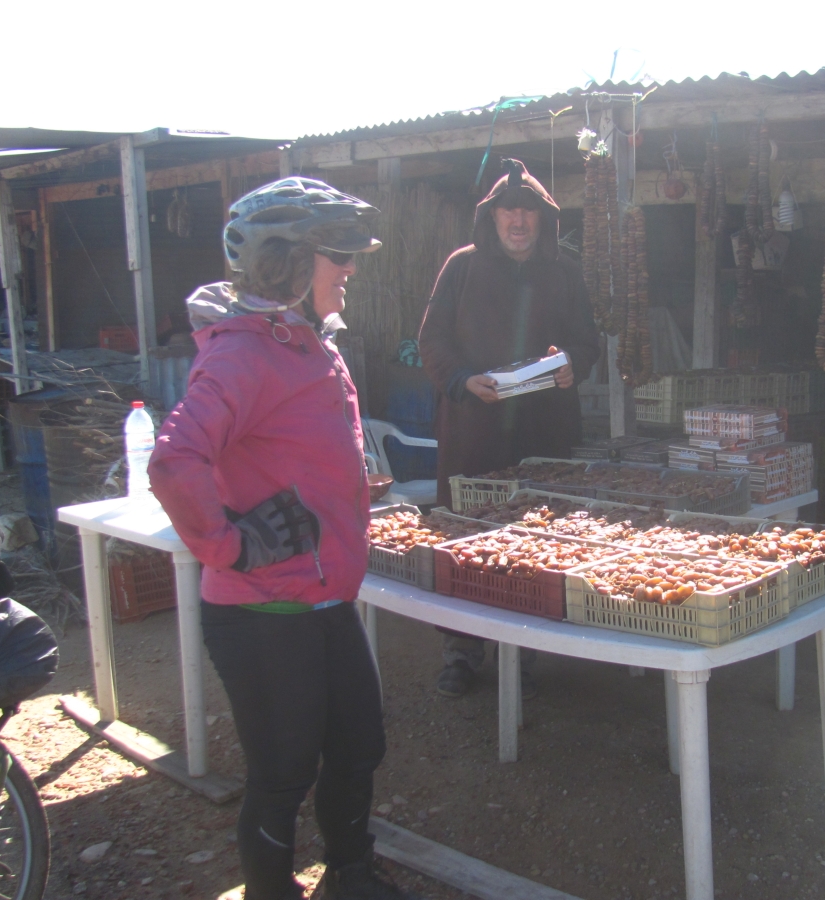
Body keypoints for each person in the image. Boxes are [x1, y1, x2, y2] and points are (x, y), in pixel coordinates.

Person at [148, 177, 418, 900]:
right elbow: (174, 460)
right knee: (283, 773)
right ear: (287, 264)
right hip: (262, 608)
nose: (350, 268)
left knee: (359, 746)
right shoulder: (242, 353)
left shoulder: (301, 341)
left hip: (322, 596)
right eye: (338, 254)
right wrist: (230, 545)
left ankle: (350, 877)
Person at [418, 158, 600, 698]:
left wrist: (572, 364)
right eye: (508, 211)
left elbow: (586, 341)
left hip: (542, 432)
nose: (518, 221)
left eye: (528, 212)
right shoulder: (462, 267)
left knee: (534, 538)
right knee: (465, 534)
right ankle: (461, 652)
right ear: (491, 217)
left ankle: (522, 652)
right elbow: (432, 340)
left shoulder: (565, 272)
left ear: (544, 218)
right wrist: (461, 380)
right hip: (473, 430)